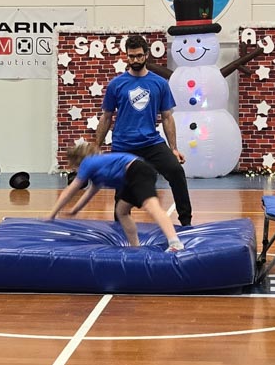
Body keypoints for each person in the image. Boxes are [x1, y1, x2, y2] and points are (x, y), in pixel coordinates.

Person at [93, 34, 193, 227]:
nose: (135, 60)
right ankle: (120, 228)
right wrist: (96, 146)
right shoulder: (116, 84)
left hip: (151, 142)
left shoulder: (160, 84)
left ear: (146, 54)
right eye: (131, 56)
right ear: (126, 56)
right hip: (123, 145)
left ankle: (186, 222)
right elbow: (106, 117)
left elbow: (167, 117)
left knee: (176, 171)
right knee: (122, 188)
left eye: (139, 55)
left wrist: (173, 148)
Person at [48, 141, 185, 252]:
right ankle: (135, 247)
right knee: (121, 211)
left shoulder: (87, 163)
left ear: (77, 161)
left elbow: (69, 190)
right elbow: (90, 193)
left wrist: (52, 214)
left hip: (137, 170)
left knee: (151, 206)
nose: (75, 170)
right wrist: (75, 210)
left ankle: (175, 243)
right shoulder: (97, 170)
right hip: (133, 175)